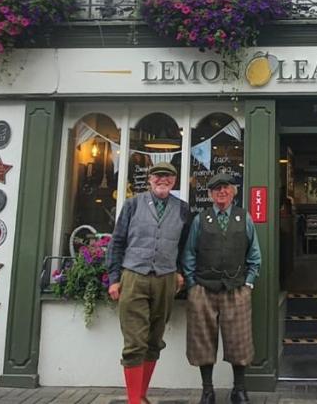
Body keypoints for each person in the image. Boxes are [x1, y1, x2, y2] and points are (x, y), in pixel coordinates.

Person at [106, 161, 192, 404]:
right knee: (134, 341)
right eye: (158, 176)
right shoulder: (133, 204)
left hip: (165, 279)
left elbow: (185, 246)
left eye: (167, 176)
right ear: (150, 180)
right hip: (134, 276)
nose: (162, 180)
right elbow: (117, 242)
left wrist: (179, 271)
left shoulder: (183, 209)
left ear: (174, 181)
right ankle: (134, 400)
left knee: (154, 340)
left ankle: (142, 395)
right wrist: (114, 279)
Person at [182, 170, 262, 404]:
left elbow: (254, 255)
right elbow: (189, 254)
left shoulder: (243, 217)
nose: (221, 192)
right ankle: (207, 390)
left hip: (236, 288)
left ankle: (239, 389)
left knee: (240, 341)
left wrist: (248, 283)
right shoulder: (201, 219)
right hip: (203, 289)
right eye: (216, 189)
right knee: (202, 341)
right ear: (210, 194)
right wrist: (192, 284)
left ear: (233, 192)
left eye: (226, 188)